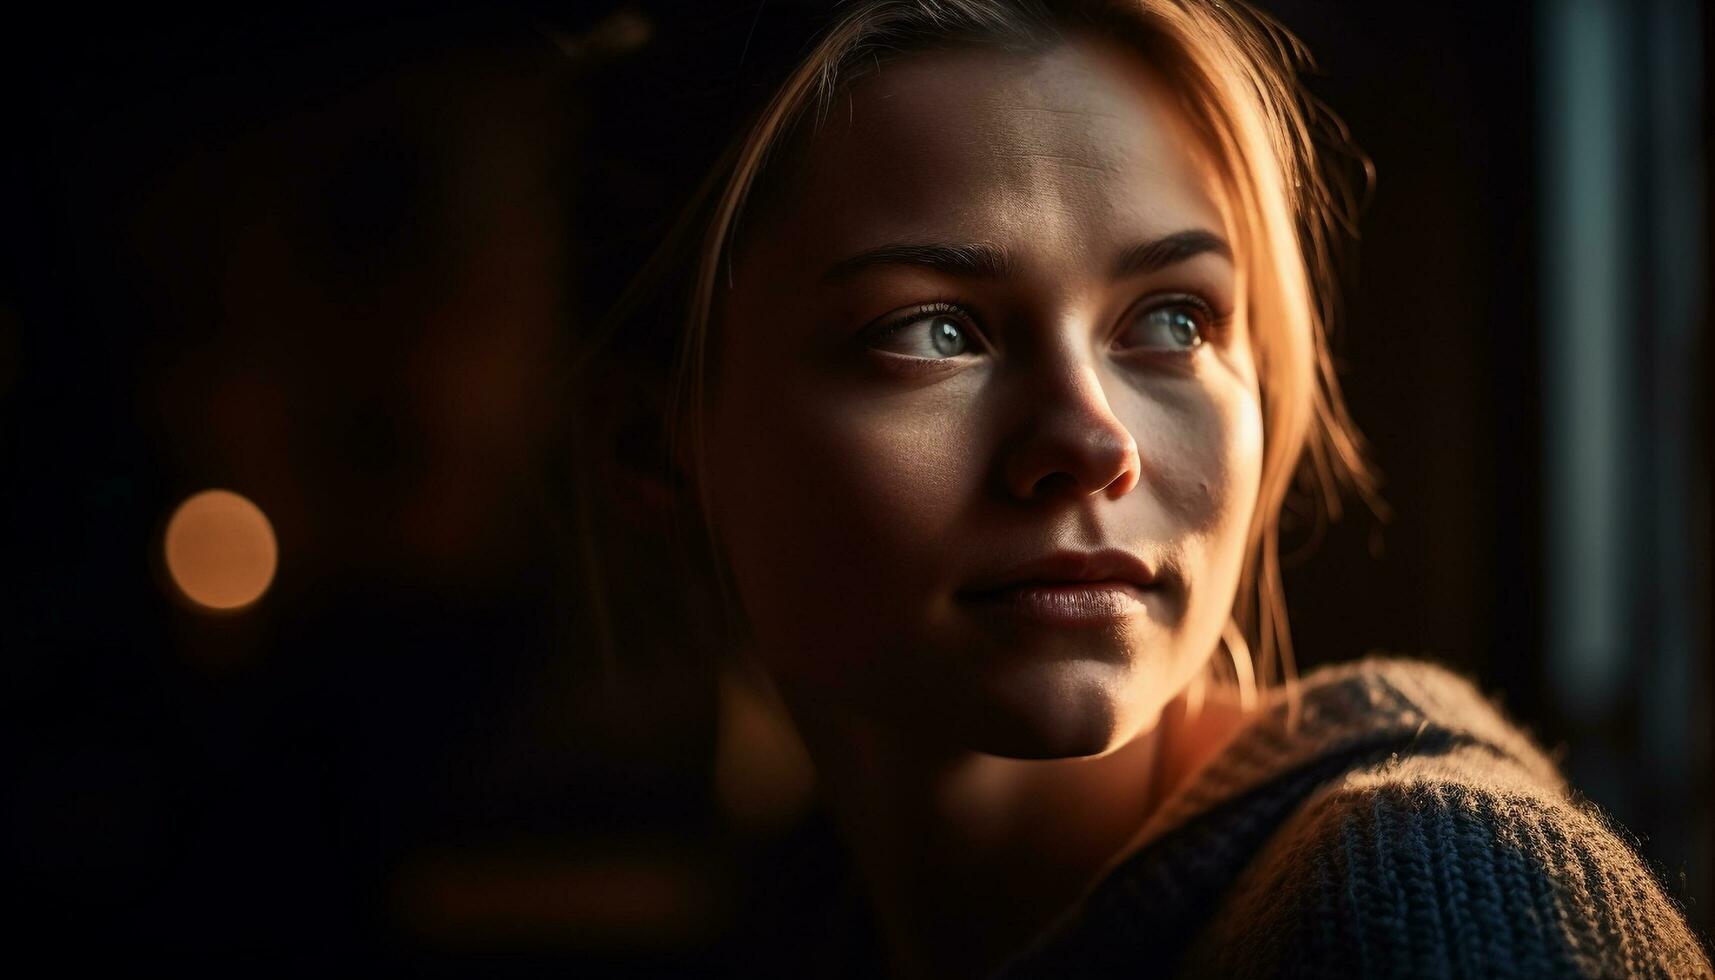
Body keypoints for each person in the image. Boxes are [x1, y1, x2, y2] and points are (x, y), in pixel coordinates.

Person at [569, 1, 1715, 976]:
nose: (1088, 440)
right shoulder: (799, 920)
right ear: (649, 451)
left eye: (1174, 319)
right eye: (933, 330)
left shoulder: (1437, 903)